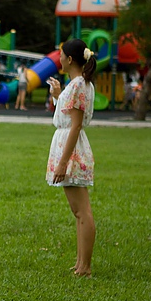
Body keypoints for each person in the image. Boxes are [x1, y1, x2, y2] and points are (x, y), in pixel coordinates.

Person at [46, 38, 97, 277]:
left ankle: (85, 267)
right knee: (78, 212)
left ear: (69, 59)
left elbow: (75, 126)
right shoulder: (76, 84)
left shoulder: (78, 86)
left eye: (61, 54)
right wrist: (57, 95)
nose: (59, 58)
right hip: (69, 146)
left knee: (82, 211)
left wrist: (63, 163)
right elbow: (67, 116)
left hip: (72, 150)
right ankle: (80, 264)